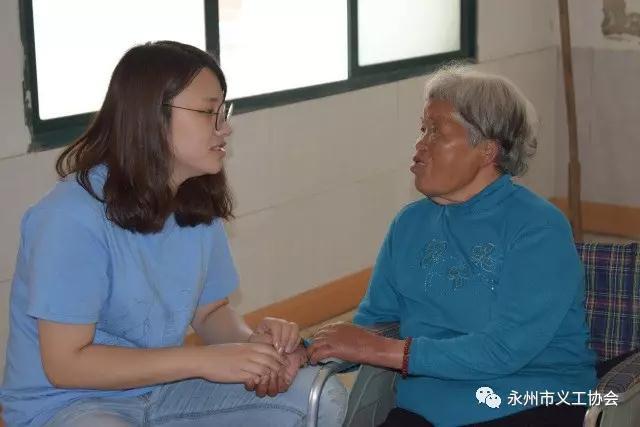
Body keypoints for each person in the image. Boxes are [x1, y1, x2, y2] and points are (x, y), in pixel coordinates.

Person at [1, 41, 346, 427]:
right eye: (207, 112)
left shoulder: (192, 197)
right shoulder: (70, 217)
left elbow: (210, 312)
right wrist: (203, 360)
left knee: (320, 399)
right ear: (151, 116)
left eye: (223, 111)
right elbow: (67, 364)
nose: (225, 127)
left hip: (164, 389)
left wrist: (255, 347)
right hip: (70, 405)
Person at [308, 65, 597, 426]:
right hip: (426, 407)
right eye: (422, 129)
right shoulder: (409, 224)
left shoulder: (538, 227)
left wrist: (385, 351)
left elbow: (504, 350)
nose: (419, 145)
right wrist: (303, 351)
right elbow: (375, 324)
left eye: (436, 132)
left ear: (487, 150)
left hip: (528, 400)